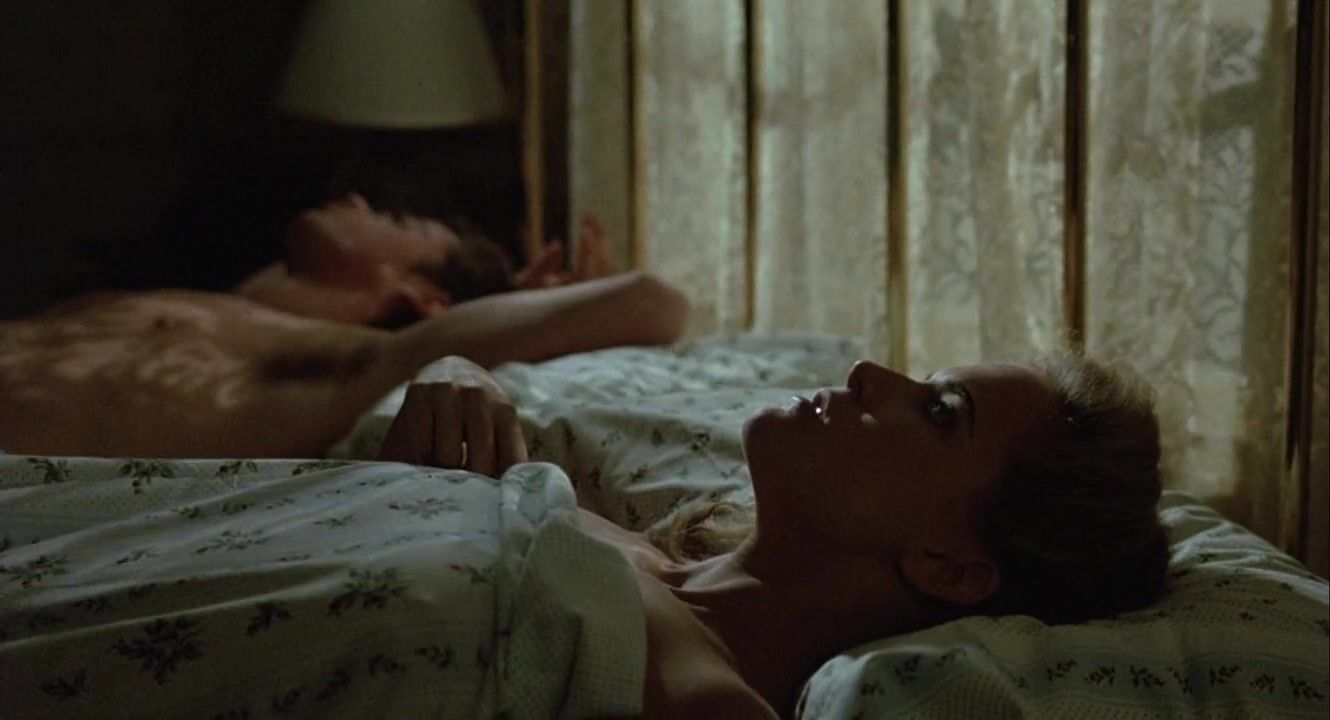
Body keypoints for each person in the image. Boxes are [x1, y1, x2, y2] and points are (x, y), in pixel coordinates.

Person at [380, 351, 1171, 716]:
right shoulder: (634, 553)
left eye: (940, 412)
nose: (869, 373)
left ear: (951, 565)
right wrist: (461, 375)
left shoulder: (705, 701)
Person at [0, 195, 689, 459]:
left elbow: (650, 302)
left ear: (423, 296)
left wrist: (520, 309)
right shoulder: (208, 306)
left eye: (397, 221)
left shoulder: (352, 362)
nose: (359, 200)